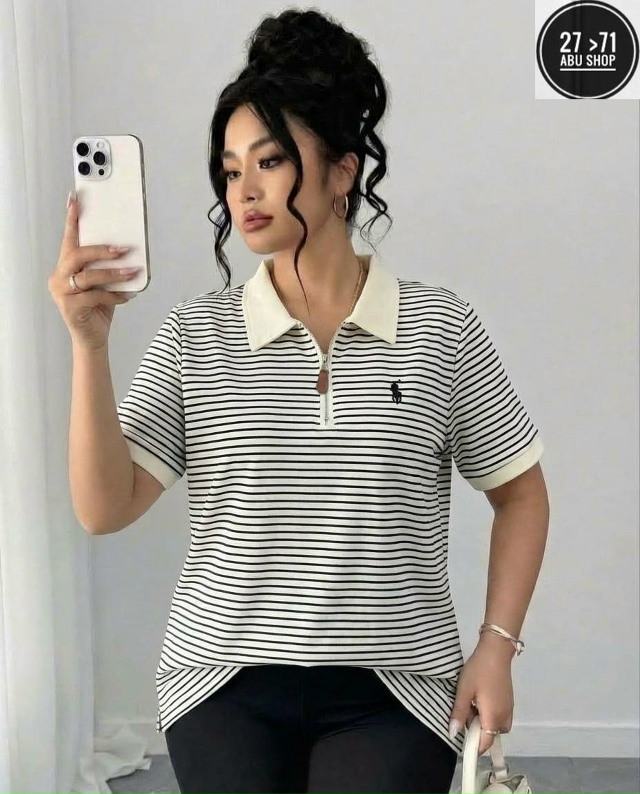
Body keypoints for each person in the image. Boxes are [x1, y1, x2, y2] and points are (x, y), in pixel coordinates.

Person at [49, 8, 550, 794]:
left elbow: (521, 495)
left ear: (343, 172)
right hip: (223, 677)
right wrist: (89, 345)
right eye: (229, 170)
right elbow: (103, 508)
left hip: (396, 686)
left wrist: (496, 646)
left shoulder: (439, 328)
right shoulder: (196, 334)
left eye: (271, 161)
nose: (243, 190)